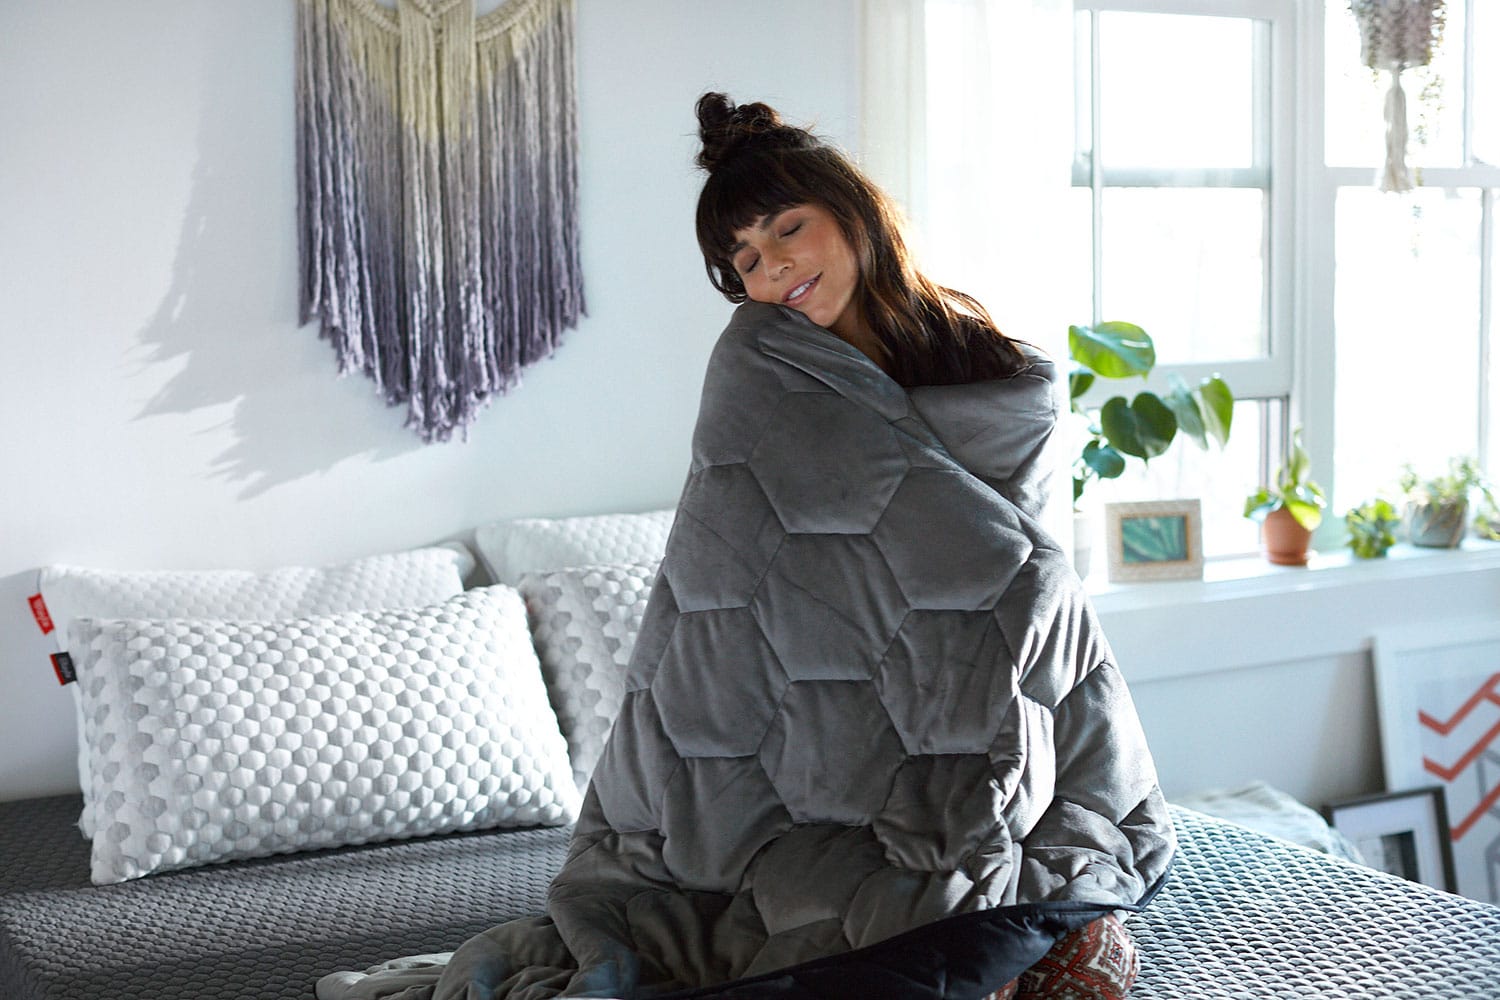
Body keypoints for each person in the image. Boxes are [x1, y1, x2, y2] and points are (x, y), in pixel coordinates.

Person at [692, 91, 1144, 1000]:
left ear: (853, 218)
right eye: (745, 257)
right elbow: (730, 559)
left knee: (1077, 961)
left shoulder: (987, 366)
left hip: (991, 686)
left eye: (789, 228)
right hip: (827, 714)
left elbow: (1032, 557)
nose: (773, 264)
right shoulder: (759, 375)